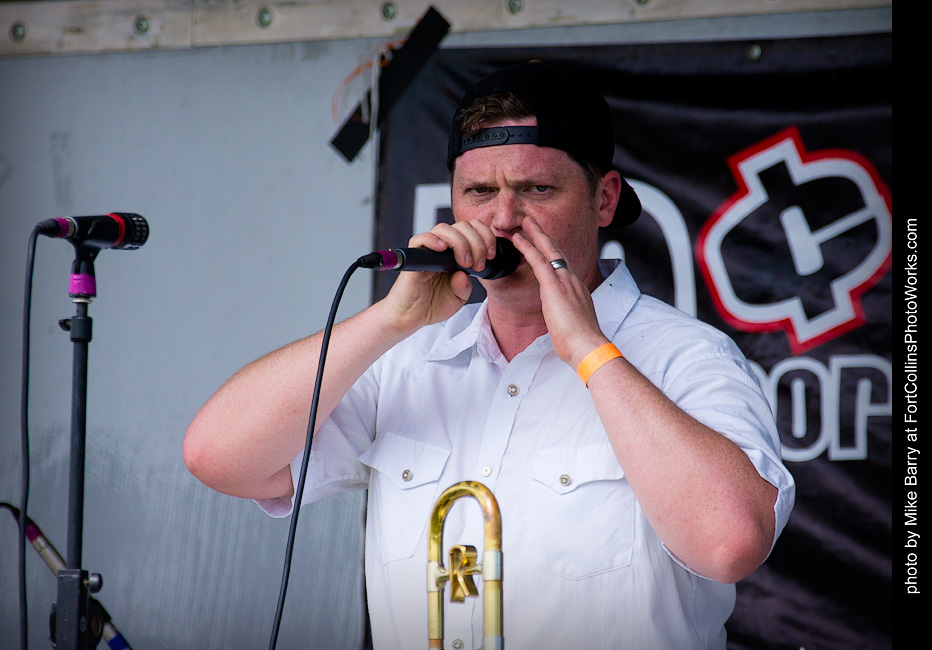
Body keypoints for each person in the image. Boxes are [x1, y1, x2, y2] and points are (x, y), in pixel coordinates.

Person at [184, 60, 794, 649]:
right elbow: (219, 458)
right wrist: (389, 321)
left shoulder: (685, 356)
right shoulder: (407, 358)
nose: (503, 219)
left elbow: (730, 545)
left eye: (537, 189)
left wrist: (589, 349)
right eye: (479, 191)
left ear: (604, 199)